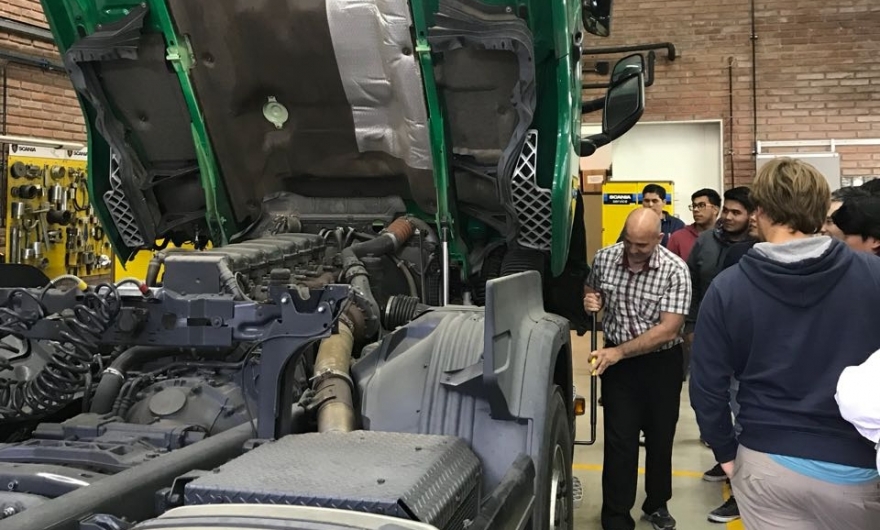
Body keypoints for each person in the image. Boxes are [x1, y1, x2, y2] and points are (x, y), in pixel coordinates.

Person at [690, 157, 880, 529]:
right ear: (823, 211)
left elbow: (706, 384)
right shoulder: (873, 276)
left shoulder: (728, 288)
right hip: (857, 468)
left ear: (759, 212)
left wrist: (726, 453)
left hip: (766, 463)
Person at [584, 208, 691, 530]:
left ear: (659, 238)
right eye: (628, 241)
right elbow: (591, 289)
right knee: (620, 442)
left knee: (660, 438)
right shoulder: (605, 258)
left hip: (661, 364)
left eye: (641, 245)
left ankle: (657, 503)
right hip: (619, 368)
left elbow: (669, 329)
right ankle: (616, 516)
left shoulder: (675, 270)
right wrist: (591, 300)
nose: (632, 250)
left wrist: (619, 352)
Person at [683, 187, 756, 390]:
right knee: (707, 393)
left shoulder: (758, 245)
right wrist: (690, 327)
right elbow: (691, 285)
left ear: (751, 215)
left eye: (736, 213)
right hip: (706, 331)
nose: (728, 217)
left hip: (745, 338)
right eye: (726, 210)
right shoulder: (706, 240)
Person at [616, 184, 685, 247]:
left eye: (655, 201)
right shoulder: (634, 222)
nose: (650, 204)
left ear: (664, 202)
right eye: (646, 201)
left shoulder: (677, 225)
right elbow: (621, 246)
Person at [667, 188, 721, 262]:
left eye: (701, 205)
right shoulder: (678, 238)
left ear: (715, 209)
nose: (695, 209)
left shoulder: (725, 237)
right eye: (694, 206)